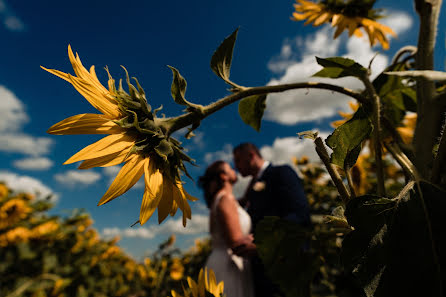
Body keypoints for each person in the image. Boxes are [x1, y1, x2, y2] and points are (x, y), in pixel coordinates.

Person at [232, 142, 311, 297]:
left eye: (238, 161)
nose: (236, 166)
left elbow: (299, 214)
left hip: (286, 266)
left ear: (251, 156)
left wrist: (263, 241)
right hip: (261, 272)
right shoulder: (252, 186)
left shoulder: (281, 173)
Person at [198, 160, 255, 297]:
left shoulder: (221, 199)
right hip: (229, 267)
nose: (234, 169)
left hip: (220, 261)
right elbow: (237, 244)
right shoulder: (226, 199)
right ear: (224, 176)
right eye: (230, 168)